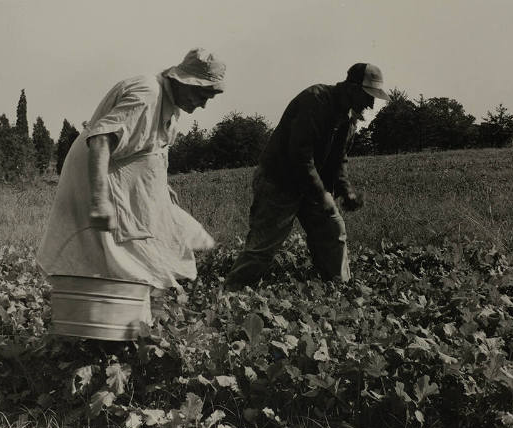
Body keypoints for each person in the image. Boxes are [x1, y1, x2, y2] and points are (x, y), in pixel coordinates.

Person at [37, 48, 225, 294]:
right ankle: (105, 310)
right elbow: (101, 139)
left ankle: (135, 305)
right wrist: (99, 201)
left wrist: (162, 187)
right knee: (111, 251)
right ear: (183, 82)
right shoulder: (147, 94)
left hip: (121, 177)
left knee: (154, 236)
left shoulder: (170, 105)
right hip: (99, 173)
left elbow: (152, 150)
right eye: (201, 94)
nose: (202, 104)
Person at [224, 63, 389, 290]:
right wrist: (322, 195)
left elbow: (338, 160)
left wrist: (345, 190)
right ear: (351, 88)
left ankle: (339, 291)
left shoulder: (348, 119)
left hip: (310, 185)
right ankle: (230, 294)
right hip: (279, 181)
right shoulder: (316, 101)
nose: (371, 103)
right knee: (264, 246)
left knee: (333, 231)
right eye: (368, 95)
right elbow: (300, 155)